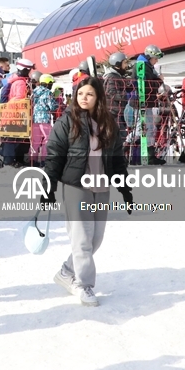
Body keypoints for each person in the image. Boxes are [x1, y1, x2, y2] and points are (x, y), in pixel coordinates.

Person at [45, 77, 130, 306]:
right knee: (82, 239)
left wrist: (125, 187)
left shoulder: (108, 122)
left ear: (98, 97)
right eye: (80, 93)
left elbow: (117, 158)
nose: (84, 98)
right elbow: (54, 153)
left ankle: (66, 271)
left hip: (101, 186)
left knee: (95, 239)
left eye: (89, 94)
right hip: (76, 186)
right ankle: (84, 286)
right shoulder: (67, 121)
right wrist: (49, 187)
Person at [135, 45, 165, 165]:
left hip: (147, 102)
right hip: (143, 102)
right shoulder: (142, 65)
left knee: (148, 129)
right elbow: (145, 85)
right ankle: (143, 156)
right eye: (155, 58)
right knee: (144, 129)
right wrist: (159, 80)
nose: (156, 61)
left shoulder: (147, 66)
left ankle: (149, 155)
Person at [102, 51, 134, 142]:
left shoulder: (118, 76)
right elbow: (111, 92)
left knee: (122, 137)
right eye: (124, 63)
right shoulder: (112, 77)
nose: (126, 65)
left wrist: (130, 87)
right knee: (120, 137)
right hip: (113, 113)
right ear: (117, 64)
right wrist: (126, 95)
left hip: (119, 112)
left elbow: (123, 87)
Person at [30, 73, 58, 165]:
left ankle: (32, 160)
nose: (51, 85)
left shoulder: (34, 92)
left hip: (34, 119)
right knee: (47, 139)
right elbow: (52, 107)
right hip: (44, 118)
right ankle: (44, 160)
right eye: (51, 83)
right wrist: (56, 98)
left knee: (35, 140)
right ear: (47, 83)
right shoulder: (48, 92)